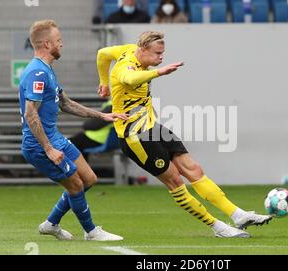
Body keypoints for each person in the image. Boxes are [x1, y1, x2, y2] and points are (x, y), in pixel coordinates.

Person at [96, 31, 272, 238]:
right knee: (175, 182)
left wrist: (104, 82)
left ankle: (238, 215)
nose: (161, 58)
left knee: (194, 169)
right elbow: (130, 78)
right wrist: (159, 72)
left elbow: (102, 53)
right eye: (157, 54)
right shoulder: (126, 67)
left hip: (152, 127)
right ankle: (218, 227)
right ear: (143, 50)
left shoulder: (127, 49)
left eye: (162, 53)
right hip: (135, 137)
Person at [19, 20, 128, 242]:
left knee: (89, 179)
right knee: (76, 184)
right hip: (39, 146)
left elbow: (65, 103)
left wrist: (102, 115)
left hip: (55, 138)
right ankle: (91, 232)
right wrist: (48, 149)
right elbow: (31, 114)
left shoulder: (47, 69)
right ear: (47, 43)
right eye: (59, 41)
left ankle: (51, 223)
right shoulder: (36, 73)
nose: (62, 44)